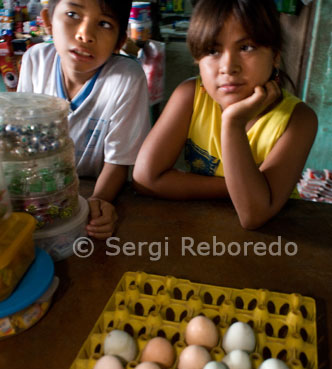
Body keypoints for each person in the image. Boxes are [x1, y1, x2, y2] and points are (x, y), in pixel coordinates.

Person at [133, 0, 318, 229]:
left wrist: (233, 123)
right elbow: (145, 179)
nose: (228, 66)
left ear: (275, 56)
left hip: (276, 240)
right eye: (213, 51)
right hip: (202, 230)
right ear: (198, 60)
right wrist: (242, 188)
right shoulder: (190, 96)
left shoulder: (298, 120)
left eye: (246, 47)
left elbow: (254, 215)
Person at [18, 0, 151, 239]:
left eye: (104, 23)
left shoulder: (126, 78)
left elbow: (118, 162)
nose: (85, 35)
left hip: (91, 188)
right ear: (48, 21)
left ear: (120, 42)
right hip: (39, 194)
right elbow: (22, 141)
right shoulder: (35, 61)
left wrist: (98, 200)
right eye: (72, 14)